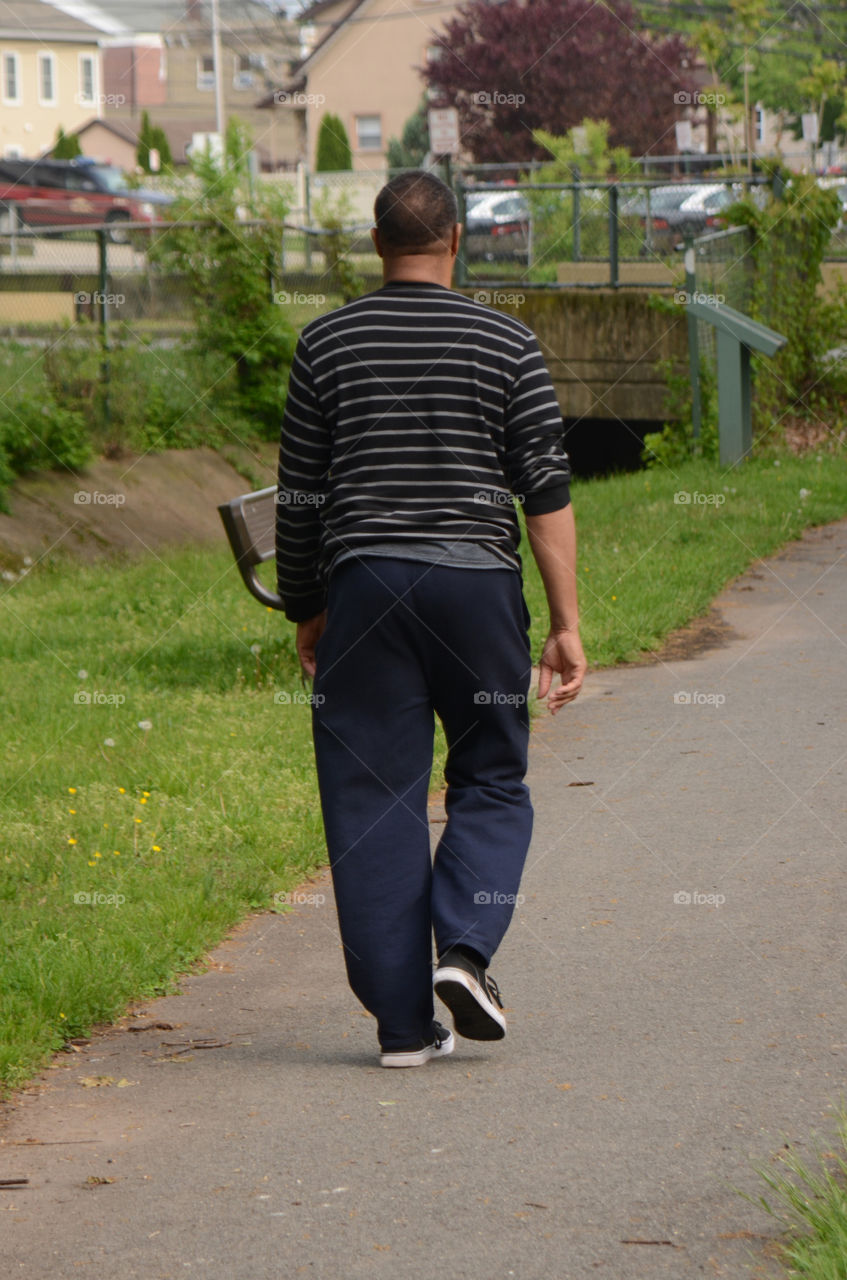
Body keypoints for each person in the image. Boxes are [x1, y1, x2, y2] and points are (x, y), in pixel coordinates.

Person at [276, 170, 586, 1068]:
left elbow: (299, 494)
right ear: (455, 241)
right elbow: (545, 493)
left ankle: (404, 1030)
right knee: (490, 775)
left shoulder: (325, 342)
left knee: (372, 799)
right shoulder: (507, 341)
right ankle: (465, 950)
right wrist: (564, 621)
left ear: (376, 244)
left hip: (366, 589)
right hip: (476, 592)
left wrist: (307, 608)